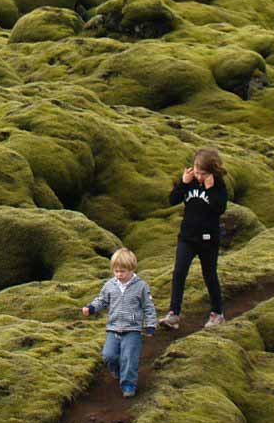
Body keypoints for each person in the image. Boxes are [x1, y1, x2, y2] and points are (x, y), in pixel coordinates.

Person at [158, 148, 228, 330]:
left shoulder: (218, 185)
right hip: (187, 237)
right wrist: (182, 182)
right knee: (179, 273)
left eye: (203, 174)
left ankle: (217, 313)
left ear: (212, 172)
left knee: (209, 275)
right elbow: (172, 200)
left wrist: (210, 189)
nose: (199, 176)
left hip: (208, 239)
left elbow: (219, 208)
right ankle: (174, 314)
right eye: (197, 172)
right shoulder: (189, 181)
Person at [81, 247, 157, 398]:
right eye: (116, 271)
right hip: (113, 328)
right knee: (108, 356)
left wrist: (150, 325)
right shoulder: (110, 285)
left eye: (122, 271)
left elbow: (148, 307)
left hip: (132, 330)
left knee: (129, 357)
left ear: (131, 269)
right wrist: (91, 308)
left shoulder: (141, 286)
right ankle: (118, 371)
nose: (119, 274)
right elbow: (102, 300)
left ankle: (128, 384)